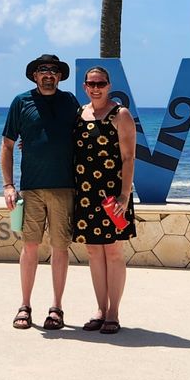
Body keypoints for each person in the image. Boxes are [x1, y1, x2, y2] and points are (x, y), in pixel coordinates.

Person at [1, 53, 79, 331]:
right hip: (31, 188)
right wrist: (8, 185)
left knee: (60, 247)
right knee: (30, 246)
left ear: (59, 76)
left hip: (64, 187)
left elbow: (83, 135)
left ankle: (56, 308)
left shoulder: (70, 102)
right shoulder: (21, 102)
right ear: (35, 75)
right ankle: (25, 305)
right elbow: (8, 144)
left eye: (53, 70)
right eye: (43, 70)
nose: (48, 74)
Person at [72, 65, 138, 335]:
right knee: (93, 252)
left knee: (113, 252)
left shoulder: (120, 114)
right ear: (85, 87)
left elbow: (129, 157)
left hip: (113, 194)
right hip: (86, 194)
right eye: (91, 84)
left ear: (109, 86)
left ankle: (113, 312)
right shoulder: (79, 114)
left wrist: (124, 195)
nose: (96, 88)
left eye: (100, 83)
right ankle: (100, 309)